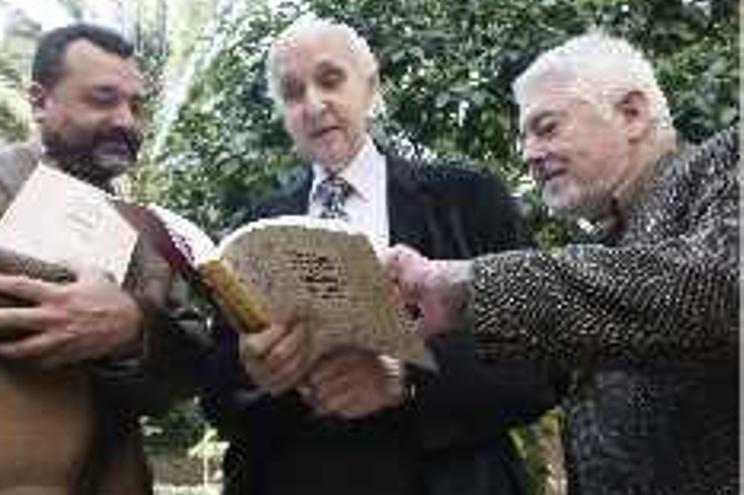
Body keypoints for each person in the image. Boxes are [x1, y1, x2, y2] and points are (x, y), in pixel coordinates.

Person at [201, 17, 558, 495]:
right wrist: (254, 369)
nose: (312, 104)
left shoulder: (469, 200)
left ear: (370, 86)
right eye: (292, 92)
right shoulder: (253, 228)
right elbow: (218, 394)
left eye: (330, 80)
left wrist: (405, 377)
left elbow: (544, 362)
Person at [385, 32, 739, 495]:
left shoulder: (729, 161)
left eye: (547, 128)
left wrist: (466, 284)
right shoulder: (609, 247)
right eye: (524, 137)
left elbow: (718, 289)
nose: (529, 154)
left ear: (631, 114)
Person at [0, 24, 209, 494]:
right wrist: (57, 295)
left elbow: (186, 368)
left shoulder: (151, 238)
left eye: (136, 106)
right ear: (39, 99)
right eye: (103, 99)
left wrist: (131, 327)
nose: (127, 121)